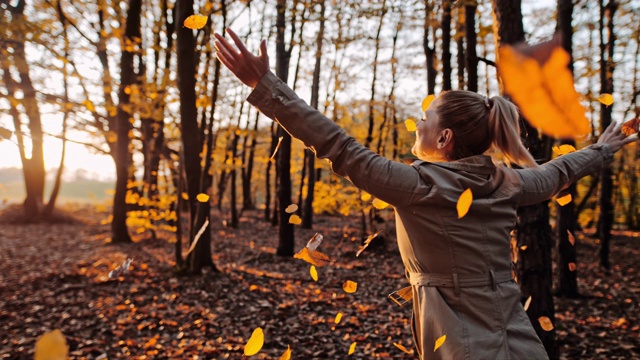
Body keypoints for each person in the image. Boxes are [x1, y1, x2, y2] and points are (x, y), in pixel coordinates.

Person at [214, 29, 638, 360]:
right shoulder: (510, 183)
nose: (417, 124)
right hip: (516, 339)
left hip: (467, 346)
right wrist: (602, 149)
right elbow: (556, 173)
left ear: (445, 137)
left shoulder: (420, 187)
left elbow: (339, 146)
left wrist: (266, 86)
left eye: (425, 118)